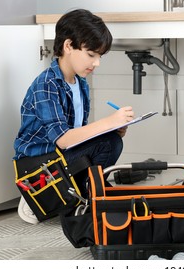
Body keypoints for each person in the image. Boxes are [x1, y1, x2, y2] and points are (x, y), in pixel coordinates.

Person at [13, 9, 134, 224]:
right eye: (91, 54)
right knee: (107, 143)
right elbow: (64, 138)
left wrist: (112, 129)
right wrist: (108, 122)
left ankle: (85, 196)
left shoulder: (80, 84)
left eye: (99, 56)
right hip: (39, 166)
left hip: (61, 156)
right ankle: (39, 197)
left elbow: (79, 136)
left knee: (111, 141)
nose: (96, 63)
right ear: (68, 46)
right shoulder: (46, 84)